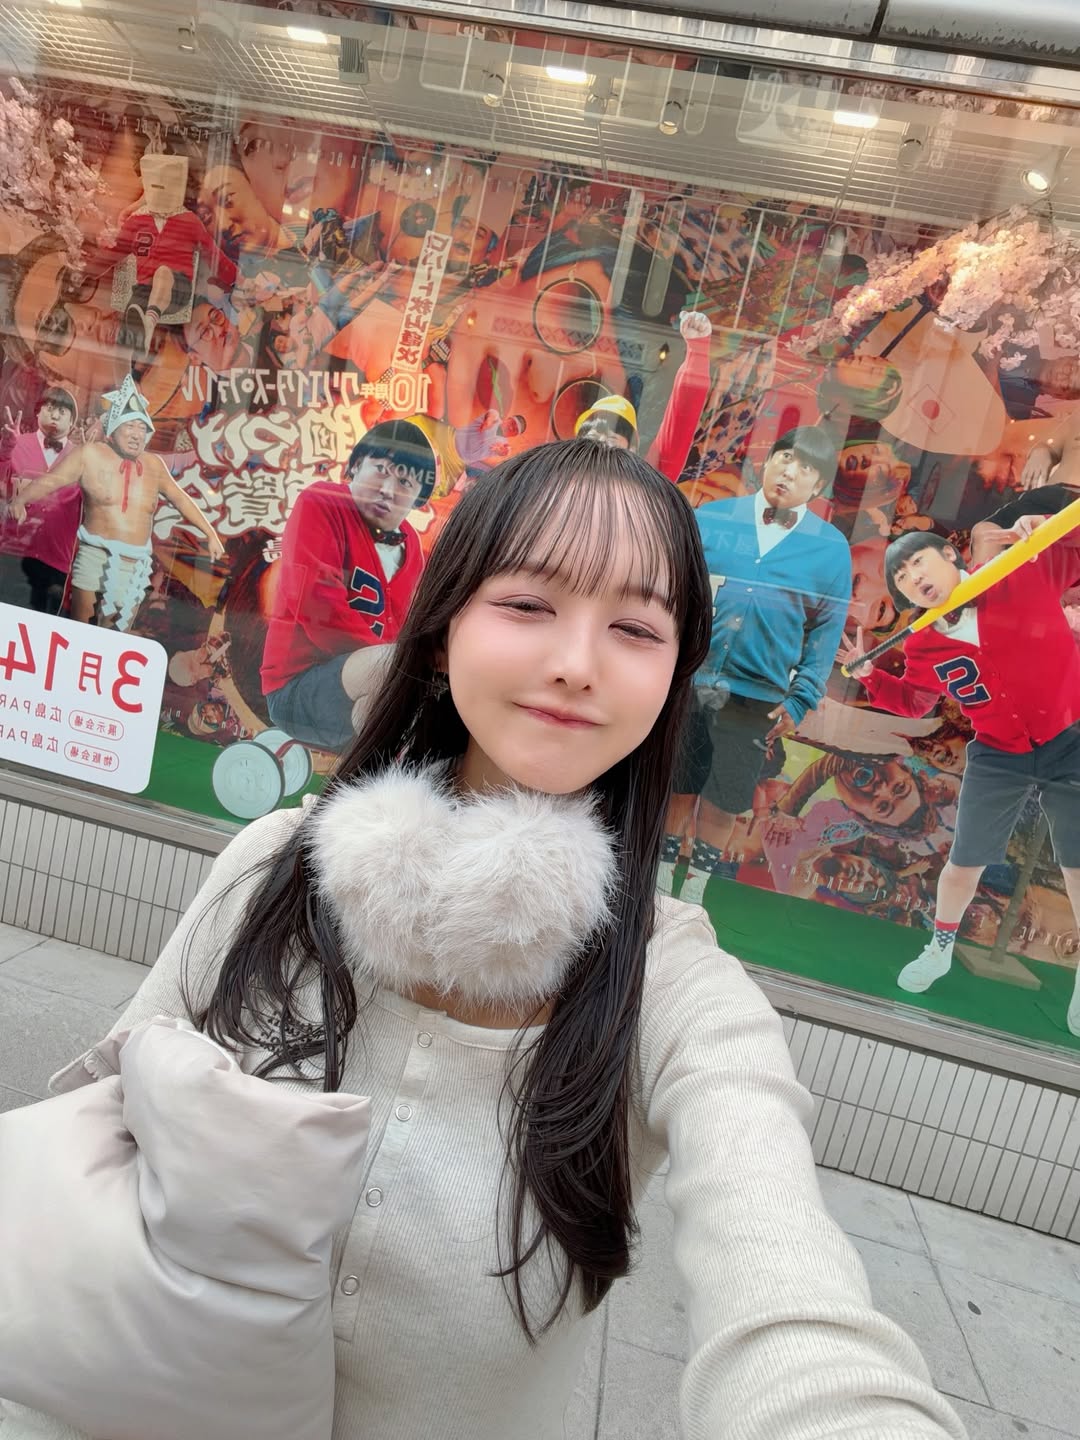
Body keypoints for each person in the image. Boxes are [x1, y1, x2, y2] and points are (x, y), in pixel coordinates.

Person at [5, 440, 963, 1440]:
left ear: (672, 678)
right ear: (441, 630)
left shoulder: (671, 987)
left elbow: (789, 1290)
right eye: (529, 603)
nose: (576, 663)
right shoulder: (273, 869)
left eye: (635, 627)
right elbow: (89, 1157)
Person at [841, 526, 1080, 1036]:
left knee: (1077, 864)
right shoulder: (923, 641)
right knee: (963, 865)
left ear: (951, 554)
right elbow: (914, 703)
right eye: (902, 579)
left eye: (918, 563)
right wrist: (869, 678)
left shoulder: (1022, 572)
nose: (913, 579)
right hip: (999, 753)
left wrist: (1044, 528)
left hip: (1070, 736)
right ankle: (939, 948)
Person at [663, 425, 852, 903]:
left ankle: (694, 893)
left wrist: (802, 697)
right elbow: (672, 594)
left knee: (725, 798)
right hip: (690, 680)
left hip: (758, 697)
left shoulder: (831, 549)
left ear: (819, 486)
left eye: (805, 467)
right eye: (785, 457)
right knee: (678, 785)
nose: (790, 471)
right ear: (767, 462)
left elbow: (826, 632)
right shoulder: (712, 519)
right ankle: (660, 884)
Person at [261, 419, 437, 751]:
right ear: (355, 465)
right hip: (296, 687)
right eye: (381, 470)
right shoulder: (322, 501)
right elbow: (316, 605)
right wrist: (395, 667)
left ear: (418, 499)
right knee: (395, 675)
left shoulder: (412, 545)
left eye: (405, 482)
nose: (388, 489)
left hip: (368, 690)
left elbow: (404, 626)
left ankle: (378, 770)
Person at [3, 375, 224, 630]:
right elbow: (53, 480)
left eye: (142, 428)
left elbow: (181, 500)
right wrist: (20, 500)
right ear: (113, 430)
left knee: (117, 633)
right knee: (82, 628)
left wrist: (210, 534)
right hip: (93, 554)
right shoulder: (90, 455)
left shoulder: (154, 465)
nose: (136, 434)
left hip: (133, 563)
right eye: (129, 426)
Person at [574, 309, 713, 482]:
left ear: (632, 450)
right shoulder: (558, 483)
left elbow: (681, 418)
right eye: (592, 439)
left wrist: (697, 350)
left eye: (611, 440)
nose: (600, 446)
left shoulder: (643, 486)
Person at [0, 387, 80, 613]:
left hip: (57, 561)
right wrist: (5, 450)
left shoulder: (81, 458)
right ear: (37, 412)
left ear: (72, 422)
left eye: (62, 411)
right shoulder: (15, 443)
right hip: (12, 555)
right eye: (50, 408)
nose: (55, 415)